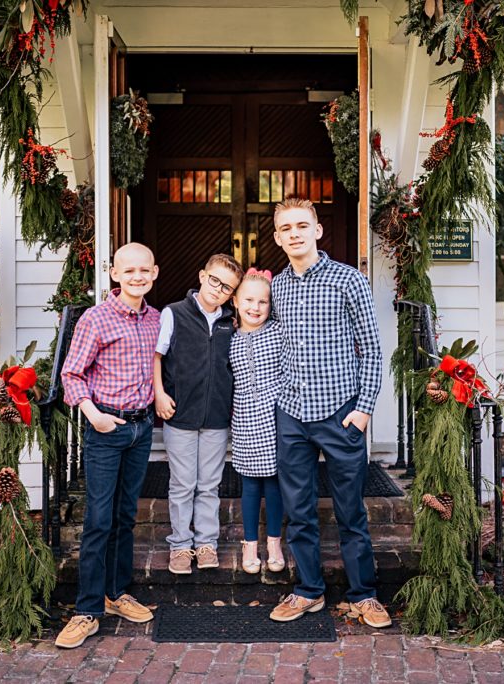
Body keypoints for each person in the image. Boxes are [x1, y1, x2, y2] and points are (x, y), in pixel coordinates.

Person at [267, 197, 391, 628]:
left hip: (341, 412)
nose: (295, 234)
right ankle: (308, 591)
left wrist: (364, 410)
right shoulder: (277, 287)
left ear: (317, 230)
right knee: (298, 510)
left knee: (350, 510)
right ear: (277, 237)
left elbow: (372, 349)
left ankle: (364, 595)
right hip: (291, 413)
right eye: (286, 228)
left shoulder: (348, 280)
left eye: (302, 225)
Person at [54, 242, 161, 649]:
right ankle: (86, 610)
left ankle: (116, 594)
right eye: (128, 270)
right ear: (114, 274)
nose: (137, 276)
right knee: (99, 519)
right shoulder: (96, 319)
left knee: (125, 515)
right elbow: (71, 374)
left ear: (154, 273)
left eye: (143, 270)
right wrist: (92, 414)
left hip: (141, 429)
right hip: (106, 428)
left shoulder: (155, 319)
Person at [154, 254, 244, 574]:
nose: (218, 289)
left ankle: (206, 543)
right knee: (182, 483)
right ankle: (180, 544)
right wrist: (159, 393)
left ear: (232, 294)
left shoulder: (231, 323)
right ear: (202, 276)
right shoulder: (174, 313)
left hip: (216, 417)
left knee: (208, 484)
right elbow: (157, 356)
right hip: (180, 414)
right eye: (215, 280)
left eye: (227, 287)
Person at [229, 268, 286, 574]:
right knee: (250, 484)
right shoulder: (229, 338)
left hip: (275, 415)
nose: (255, 307)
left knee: (275, 483)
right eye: (249, 300)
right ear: (236, 302)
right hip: (245, 417)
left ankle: (274, 542)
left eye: (263, 302)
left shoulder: (278, 332)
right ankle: (250, 543)